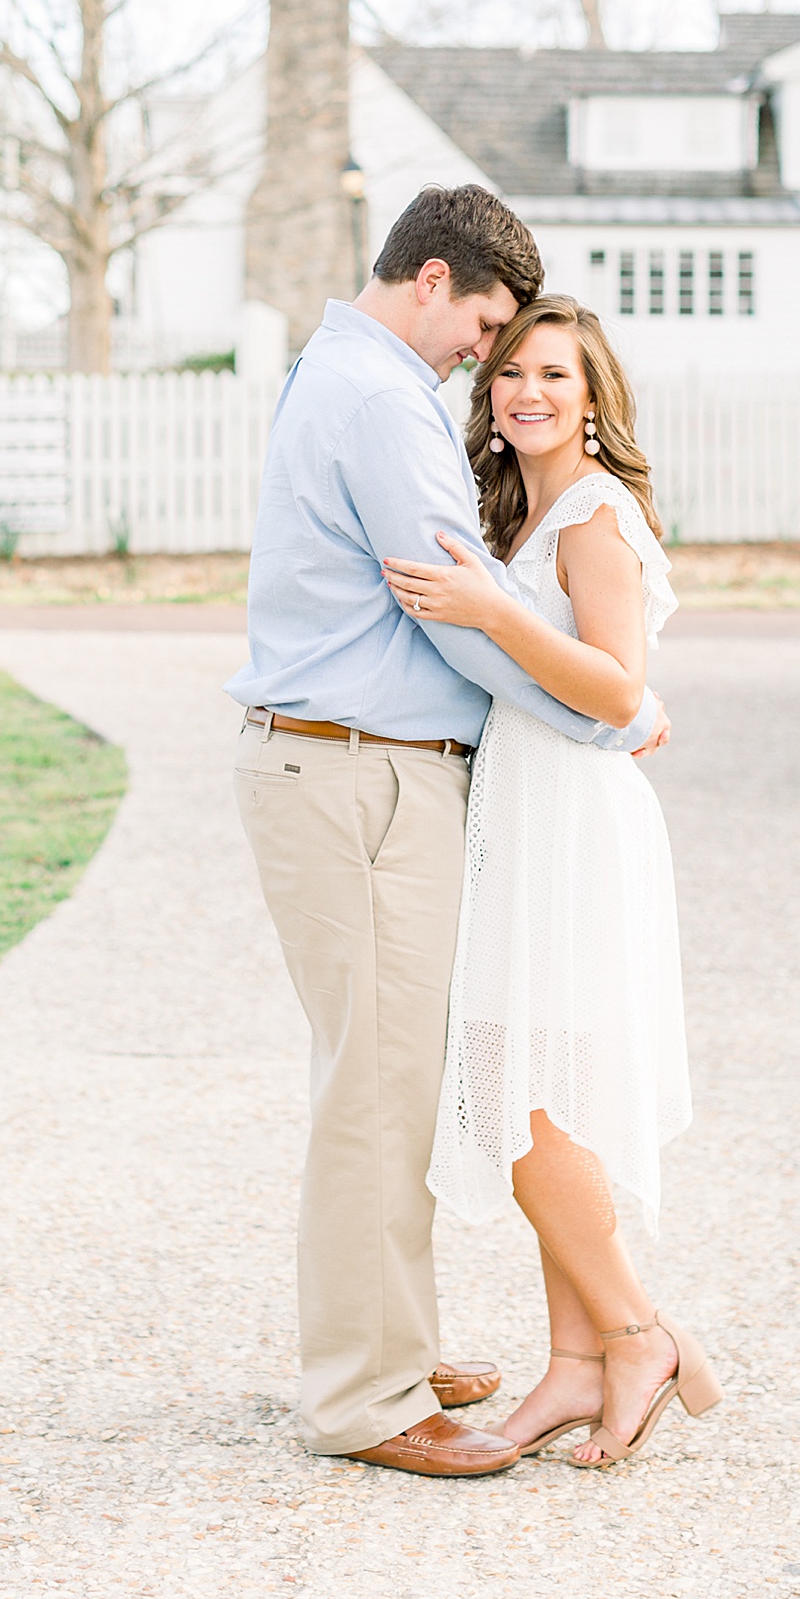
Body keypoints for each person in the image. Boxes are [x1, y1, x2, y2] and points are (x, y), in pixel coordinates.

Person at [227, 189, 670, 1479]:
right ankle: (368, 1393)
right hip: (355, 772)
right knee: (379, 1087)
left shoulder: (347, 374)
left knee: (389, 1073)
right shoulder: (374, 399)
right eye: (484, 326)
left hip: (350, 768)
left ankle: (391, 1342)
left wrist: (608, 699)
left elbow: (479, 612)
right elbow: (451, 614)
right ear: (433, 277)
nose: (485, 358)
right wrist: (611, 713)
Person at [381, 294, 721, 1468]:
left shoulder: (590, 513)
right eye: (511, 371)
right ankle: (574, 1363)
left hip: (572, 824)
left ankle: (637, 1333)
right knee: (542, 1093)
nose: (528, 390)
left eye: (556, 375)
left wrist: (486, 606)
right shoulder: (518, 506)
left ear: (593, 397)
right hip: (527, 808)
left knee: (520, 1098)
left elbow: (620, 689)